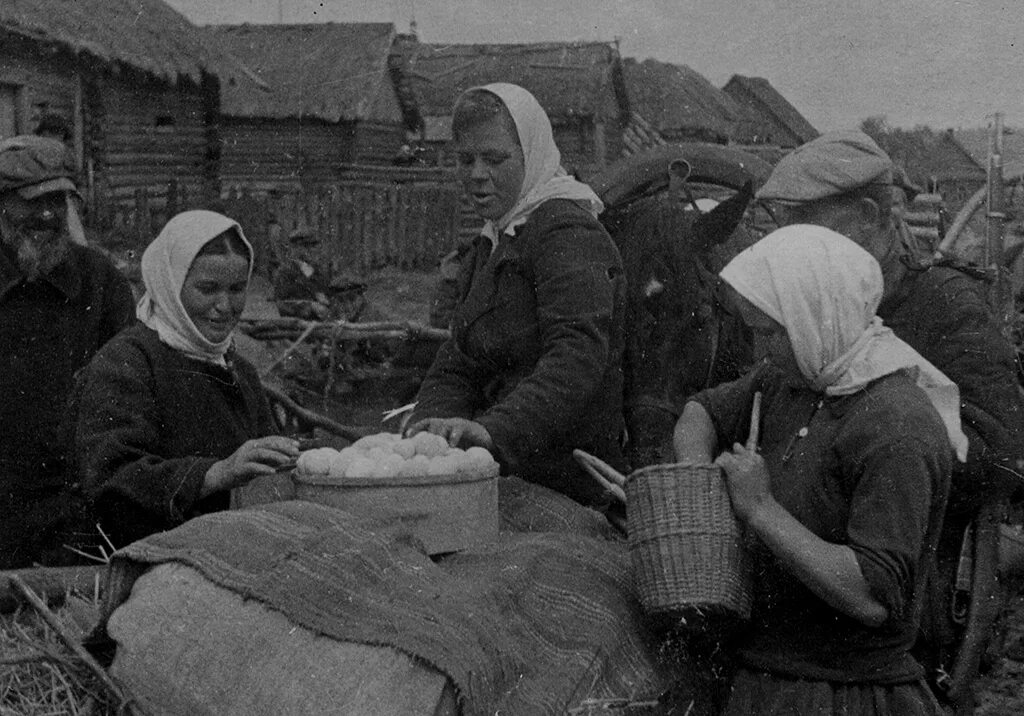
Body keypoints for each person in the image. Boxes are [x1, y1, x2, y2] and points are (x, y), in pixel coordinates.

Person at [755, 131, 1024, 697]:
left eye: (808, 223)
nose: (791, 242)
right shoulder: (804, 306)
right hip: (804, 572)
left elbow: (1000, 457)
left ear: (872, 215)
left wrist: (858, 455)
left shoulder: (944, 305)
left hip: (904, 597)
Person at [674, 225, 960, 715]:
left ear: (815, 317)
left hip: (841, 693)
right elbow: (700, 413)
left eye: (770, 332)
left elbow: (873, 598)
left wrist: (760, 508)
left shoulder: (897, 426)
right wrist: (697, 480)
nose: (760, 350)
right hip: (763, 675)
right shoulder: (799, 378)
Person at [406, 83, 627, 508]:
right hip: (497, 468)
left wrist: (493, 432)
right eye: (465, 159)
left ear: (533, 154)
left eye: (494, 159)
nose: (475, 173)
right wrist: (429, 427)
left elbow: (576, 359)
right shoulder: (493, 242)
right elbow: (458, 359)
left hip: (563, 478)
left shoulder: (567, 233)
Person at [73, 210, 299, 548]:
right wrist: (214, 474)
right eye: (208, 289)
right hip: (149, 557)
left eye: (237, 289)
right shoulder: (128, 362)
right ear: (170, 284)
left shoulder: (240, 371)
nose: (225, 305)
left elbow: (268, 470)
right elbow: (112, 479)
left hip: (234, 549)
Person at [0, 135, 134, 568]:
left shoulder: (99, 281)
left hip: (73, 503)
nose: (47, 214)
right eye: (32, 202)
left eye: (59, 201)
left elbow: (127, 387)